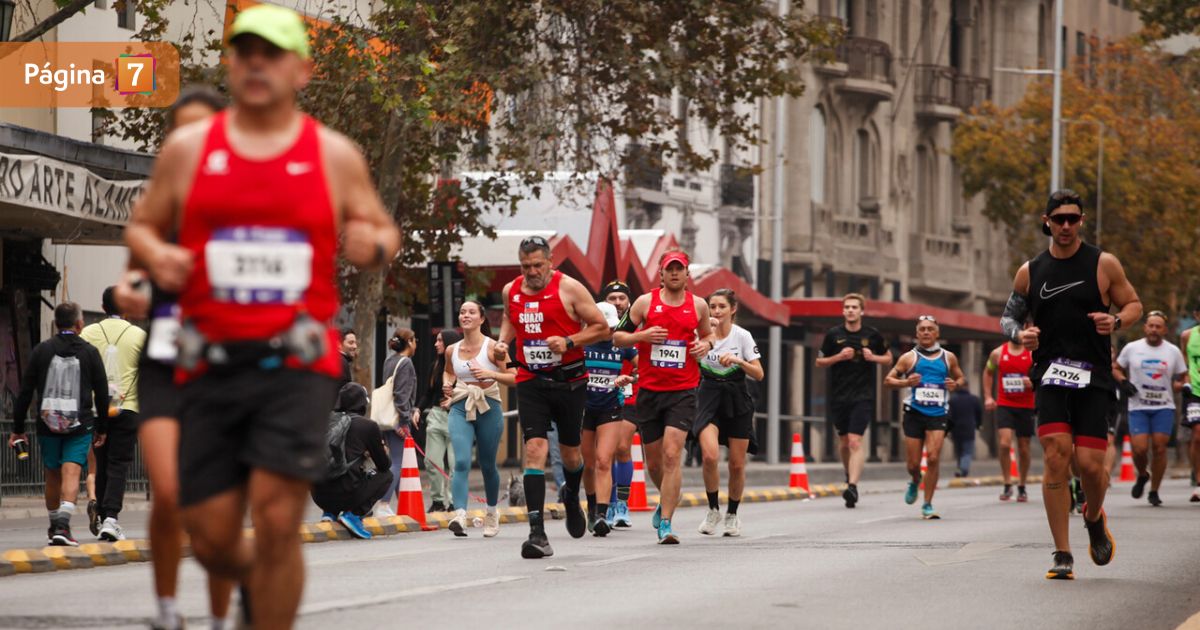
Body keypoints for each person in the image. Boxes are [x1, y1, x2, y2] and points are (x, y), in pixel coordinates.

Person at [123, 5, 401, 627]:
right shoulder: (191, 149)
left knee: (277, 521)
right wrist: (159, 253)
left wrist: (371, 245)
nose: (256, 63)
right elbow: (140, 227)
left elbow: (382, 230)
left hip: (294, 362)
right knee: (212, 534)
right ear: (230, 63)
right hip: (207, 360)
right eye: (244, 51)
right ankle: (251, 578)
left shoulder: (332, 155)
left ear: (301, 69)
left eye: (271, 53)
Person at [113, 85, 233, 630]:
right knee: (169, 493)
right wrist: (133, 290)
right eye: (178, 132)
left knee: (218, 510)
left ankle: (217, 615)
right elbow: (133, 274)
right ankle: (166, 610)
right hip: (165, 365)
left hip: (228, 371)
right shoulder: (156, 208)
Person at [1001, 189, 1141, 580]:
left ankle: (1094, 518)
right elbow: (1008, 319)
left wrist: (1115, 322)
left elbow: (1133, 305)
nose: (1066, 225)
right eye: (1058, 218)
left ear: (1081, 221)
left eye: (1073, 219)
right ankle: (1062, 553)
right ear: (1046, 221)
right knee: (1057, 455)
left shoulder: (1103, 263)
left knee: (1092, 467)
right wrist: (1019, 336)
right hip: (1049, 375)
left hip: (1094, 376)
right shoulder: (1030, 270)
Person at [494, 235, 608, 559]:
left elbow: (601, 328)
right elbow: (509, 317)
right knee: (535, 450)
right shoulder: (511, 290)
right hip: (531, 380)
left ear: (550, 262)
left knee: (571, 455)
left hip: (570, 382)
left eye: (537, 265)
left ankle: (571, 496)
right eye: (525, 266)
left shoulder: (569, 288)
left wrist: (570, 341)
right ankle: (537, 534)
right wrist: (504, 342)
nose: (531, 272)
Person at [615, 250, 716, 544]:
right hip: (649, 391)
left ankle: (667, 524)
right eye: (669, 269)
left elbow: (709, 336)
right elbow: (618, 338)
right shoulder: (645, 303)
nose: (674, 273)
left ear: (687, 275)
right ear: (660, 273)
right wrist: (641, 337)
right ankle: (667, 497)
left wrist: (705, 347)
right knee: (656, 464)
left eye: (679, 269)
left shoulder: (698, 306)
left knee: (673, 455)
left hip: (683, 390)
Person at [7, 302, 109, 547]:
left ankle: (54, 527)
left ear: (56, 324)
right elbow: (103, 393)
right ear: (79, 324)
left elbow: (25, 391)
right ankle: (63, 525)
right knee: (71, 471)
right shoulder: (89, 352)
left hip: (47, 423)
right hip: (79, 424)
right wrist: (102, 427)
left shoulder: (42, 350)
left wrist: (18, 428)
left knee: (52, 475)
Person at [80, 286, 147, 542]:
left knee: (101, 461)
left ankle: (102, 509)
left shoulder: (88, 332)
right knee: (119, 462)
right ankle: (111, 518)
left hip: (97, 409)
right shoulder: (139, 336)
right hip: (128, 407)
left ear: (103, 306)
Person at [444, 300, 515, 537]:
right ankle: (460, 514)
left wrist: (489, 373)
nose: (465, 315)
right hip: (461, 405)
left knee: (487, 464)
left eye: (471, 312)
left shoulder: (495, 347)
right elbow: (449, 371)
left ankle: (492, 512)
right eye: (462, 312)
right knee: (462, 461)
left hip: (489, 405)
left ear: (482, 319)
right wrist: (447, 383)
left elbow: (514, 376)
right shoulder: (451, 350)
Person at [815, 293, 893, 508]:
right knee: (843, 443)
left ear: (861, 311)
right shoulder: (833, 335)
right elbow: (819, 361)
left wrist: (873, 357)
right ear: (843, 311)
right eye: (847, 307)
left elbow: (888, 358)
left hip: (863, 396)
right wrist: (838, 357)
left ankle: (852, 487)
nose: (850, 310)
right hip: (839, 396)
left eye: (854, 307)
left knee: (854, 441)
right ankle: (849, 473)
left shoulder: (872, 334)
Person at [695, 289, 762, 537]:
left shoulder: (742, 336)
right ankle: (713, 509)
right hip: (708, 396)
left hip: (736, 398)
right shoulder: (700, 334)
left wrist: (738, 361)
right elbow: (688, 362)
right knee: (710, 456)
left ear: (732, 309)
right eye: (712, 306)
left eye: (722, 306)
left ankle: (732, 514)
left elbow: (758, 373)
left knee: (736, 464)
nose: (716, 312)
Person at [884, 316, 965, 520]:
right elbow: (888, 380)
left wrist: (956, 384)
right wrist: (905, 383)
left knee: (933, 457)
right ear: (917, 333)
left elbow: (961, 377)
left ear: (937, 333)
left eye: (930, 329)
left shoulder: (949, 357)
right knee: (912, 463)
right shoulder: (908, 358)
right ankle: (914, 478)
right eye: (922, 329)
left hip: (938, 413)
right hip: (914, 412)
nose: (926, 332)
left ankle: (927, 504)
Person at [1115, 311, 1187, 506]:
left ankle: (1154, 491)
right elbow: (1115, 367)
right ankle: (1143, 474)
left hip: (1163, 406)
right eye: (1151, 326)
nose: (1154, 330)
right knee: (1139, 449)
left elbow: (1183, 375)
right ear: (1145, 327)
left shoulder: (1172, 351)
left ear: (1164, 330)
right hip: (1138, 406)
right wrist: (1123, 382)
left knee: (1159, 447)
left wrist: (1181, 385)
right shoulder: (1132, 348)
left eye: (1158, 326)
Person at [580, 301, 636, 537]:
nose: (610, 331)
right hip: (583, 409)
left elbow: (642, 368)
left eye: (612, 327)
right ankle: (592, 507)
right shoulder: (581, 343)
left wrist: (629, 378)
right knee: (588, 463)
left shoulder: (621, 344)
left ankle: (603, 515)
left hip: (611, 407)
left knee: (604, 460)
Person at [313, 383, 393, 539]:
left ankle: (330, 513)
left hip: (319, 495)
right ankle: (354, 516)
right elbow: (384, 465)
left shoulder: (325, 420)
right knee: (386, 475)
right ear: (362, 403)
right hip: (346, 494)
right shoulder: (368, 426)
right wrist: (378, 452)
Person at [600, 281, 638, 528]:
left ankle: (622, 504)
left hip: (630, 393)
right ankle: (609, 503)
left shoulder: (638, 326)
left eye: (621, 298)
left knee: (623, 447)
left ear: (629, 302)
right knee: (605, 453)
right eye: (612, 298)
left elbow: (642, 362)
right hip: (601, 394)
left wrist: (634, 376)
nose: (617, 302)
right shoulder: (596, 329)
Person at [983, 330, 1036, 501]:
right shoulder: (997, 353)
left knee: (1024, 447)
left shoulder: (1032, 353)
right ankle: (1007, 483)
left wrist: (1033, 381)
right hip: (1005, 403)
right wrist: (988, 397)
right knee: (1005, 444)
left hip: (1026, 405)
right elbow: (988, 373)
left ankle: (1021, 485)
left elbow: (1042, 373)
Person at [420, 328, 461, 512]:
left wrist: (454, 400)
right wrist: (417, 409)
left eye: (440, 341)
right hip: (436, 416)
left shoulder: (462, 366)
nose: (436, 344)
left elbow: (470, 391)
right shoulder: (435, 366)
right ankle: (437, 501)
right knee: (432, 461)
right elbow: (428, 393)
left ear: (450, 344)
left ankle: (454, 502)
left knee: (455, 464)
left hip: (457, 417)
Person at [378, 328, 419, 517]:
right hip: (398, 419)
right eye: (415, 339)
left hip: (386, 418)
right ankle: (383, 504)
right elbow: (401, 395)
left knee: (398, 462)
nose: (416, 343)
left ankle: (401, 505)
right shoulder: (406, 363)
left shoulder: (389, 360)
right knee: (397, 462)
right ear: (409, 342)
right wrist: (403, 421)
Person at [1181, 301, 1200, 502]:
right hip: (1195, 390)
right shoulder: (1187, 336)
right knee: (1197, 434)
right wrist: (1185, 381)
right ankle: (1198, 481)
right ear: (1196, 315)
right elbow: (1184, 363)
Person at [948, 379, 982, 478]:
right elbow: (979, 414)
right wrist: (979, 425)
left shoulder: (952, 399)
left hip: (956, 429)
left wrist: (949, 429)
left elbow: (949, 415)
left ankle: (960, 468)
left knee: (959, 451)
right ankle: (963, 469)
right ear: (967, 386)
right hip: (969, 428)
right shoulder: (974, 399)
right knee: (967, 451)